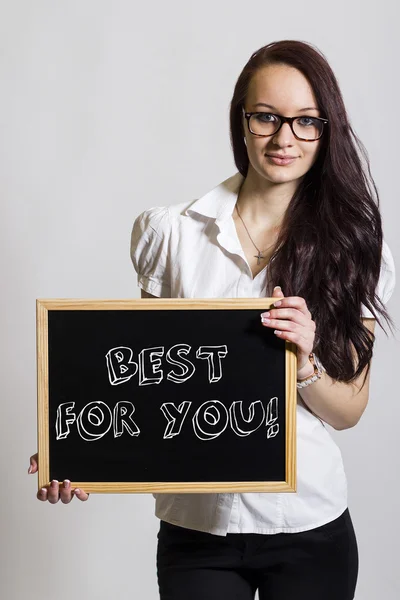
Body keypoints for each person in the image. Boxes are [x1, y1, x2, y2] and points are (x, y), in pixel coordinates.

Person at [28, 40, 396, 600]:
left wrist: (304, 365)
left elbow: (349, 410)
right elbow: (149, 381)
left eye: (305, 122)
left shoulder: (358, 250)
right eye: (267, 117)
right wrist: (75, 447)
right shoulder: (170, 233)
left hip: (308, 525)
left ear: (327, 130)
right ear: (242, 120)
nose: (283, 138)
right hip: (196, 527)